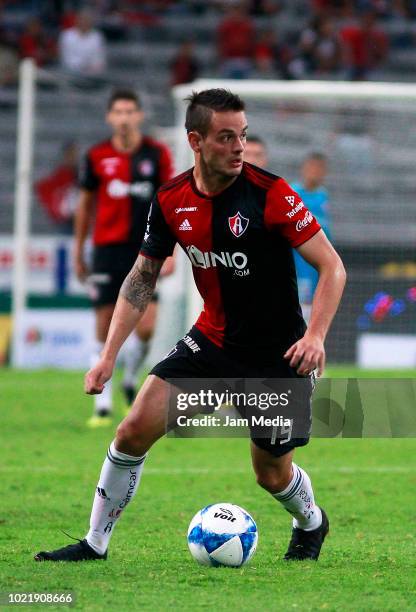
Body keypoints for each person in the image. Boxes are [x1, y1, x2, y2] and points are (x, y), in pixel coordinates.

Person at [35, 89, 346, 563]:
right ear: (196, 141)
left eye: (241, 135)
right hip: (212, 342)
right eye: (226, 137)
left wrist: (315, 336)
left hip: (278, 356)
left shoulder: (272, 194)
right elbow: (141, 279)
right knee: (131, 430)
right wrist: (107, 355)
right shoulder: (171, 199)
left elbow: (333, 267)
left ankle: (311, 521)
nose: (239, 147)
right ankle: (95, 543)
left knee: (271, 474)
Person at [73, 88, 175, 427]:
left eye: (130, 111)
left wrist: (171, 250)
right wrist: (79, 250)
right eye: (118, 112)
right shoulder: (97, 155)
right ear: (109, 117)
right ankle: (101, 406)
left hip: (147, 250)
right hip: (107, 250)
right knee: (103, 324)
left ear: (140, 116)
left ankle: (131, 376)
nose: (124, 118)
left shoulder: (157, 154)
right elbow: (86, 206)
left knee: (146, 328)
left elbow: (171, 202)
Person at [292, 153, 331, 317]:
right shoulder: (292, 193)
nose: (315, 172)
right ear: (304, 169)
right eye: (312, 168)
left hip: (316, 267)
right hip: (296, 265)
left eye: (319, 169)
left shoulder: (323, 196)